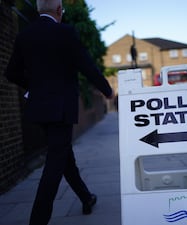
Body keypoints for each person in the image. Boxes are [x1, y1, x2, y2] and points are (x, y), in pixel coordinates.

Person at [4, 0, 114, 224]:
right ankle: (38, 220)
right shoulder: (65, 32)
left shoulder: (24, 35)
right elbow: (87, 65)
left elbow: (11, 72)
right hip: (61, 108)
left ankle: (86, 197)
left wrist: (34, 87)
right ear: (59, 10)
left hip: (39, 108)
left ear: (38, 10)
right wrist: (107, 90)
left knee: (63, 155)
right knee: (55, 163)